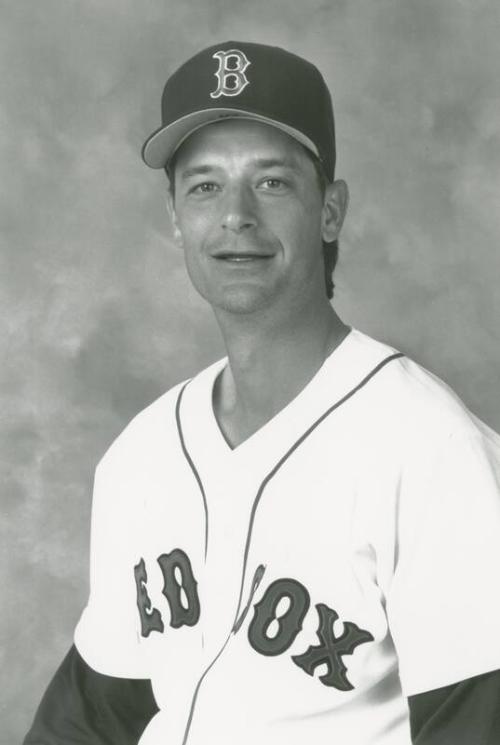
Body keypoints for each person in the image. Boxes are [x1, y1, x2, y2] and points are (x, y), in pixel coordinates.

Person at [24, 40, 500, 745]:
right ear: (175, 217)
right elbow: (89, 717)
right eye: (205, 185)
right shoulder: (142, 456)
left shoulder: (435, 453)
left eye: (272, 182)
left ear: (330, 211)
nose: (236, 214)